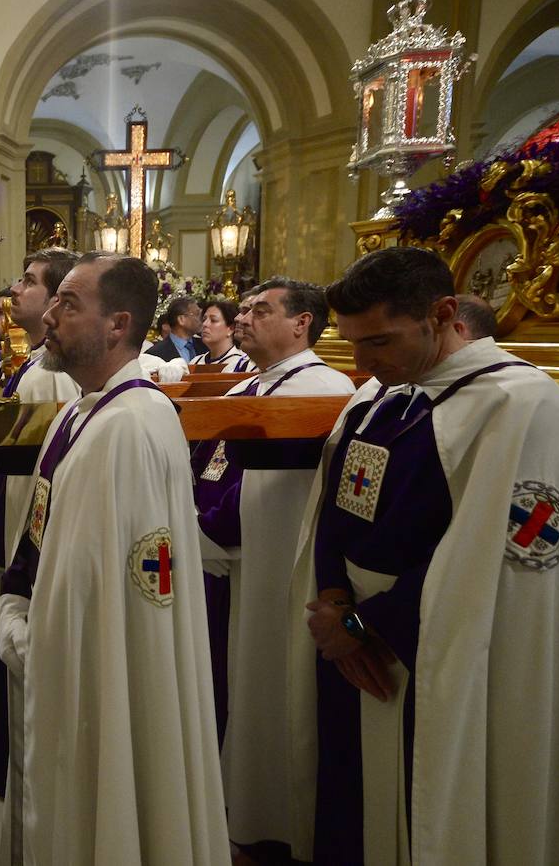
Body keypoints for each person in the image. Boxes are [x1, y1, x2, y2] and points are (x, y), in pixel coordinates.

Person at [287, 247, 559, 865]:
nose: (363, 362)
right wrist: (336, 598)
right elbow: (334, 509)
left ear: (444, 314)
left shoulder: (521, 406)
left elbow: (493, 558)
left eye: (379, 342)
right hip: (357, 640)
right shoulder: (381, 397)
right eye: (352, 343)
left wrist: (362, 626)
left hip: (444, 648)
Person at [9, 253, 229, 864]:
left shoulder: (130, 423)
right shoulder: (85, 411)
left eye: (68, 303)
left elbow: (100, 579)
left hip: (103, 658)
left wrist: (31, 633)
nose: (49, 314)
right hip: (74, 647)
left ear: (118, 324)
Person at [189, 277, 353, 858]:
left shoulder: (324, 389)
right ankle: (240, 808)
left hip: (273, 565)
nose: (244, 318)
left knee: (272, 686)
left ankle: (277, 825)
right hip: (226, 562)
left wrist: (204, 523)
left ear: (303, 322)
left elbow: (266, 486)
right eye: (246, 309)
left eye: (262, 310)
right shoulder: (250, 387)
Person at [0, 249, 80, 835]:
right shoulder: (32, 365)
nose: (16, 289)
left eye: (30, 282)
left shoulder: (54, 376)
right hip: (17, 532)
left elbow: (38, 478)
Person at [189, 297, 250, 372]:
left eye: (213, 320)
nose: (205, 324)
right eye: (204, 319)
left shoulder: (242, 363)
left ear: (231, 329)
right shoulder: (195, 362)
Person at [146, 295, 204, 362]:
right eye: (197, 314)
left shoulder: (206, 347)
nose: (201, 318)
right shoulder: (154, 354)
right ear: (181, 319)